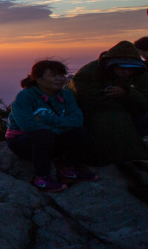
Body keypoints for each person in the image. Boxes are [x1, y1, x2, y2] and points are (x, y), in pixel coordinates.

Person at [6, 59, 98, 192]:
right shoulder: (25, 97)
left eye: (62, 75)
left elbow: (77, 120)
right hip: (24, 142)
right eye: (53, 76)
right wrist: (59, 127)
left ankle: (69, 171)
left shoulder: (66, 95)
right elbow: (28, 126)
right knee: (43, 135)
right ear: (38, 79)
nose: (59, 79)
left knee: (82, 133)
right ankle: (41, 178)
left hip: (52, 138)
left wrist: (45, 118)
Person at [69, 41, 148, 165]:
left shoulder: (139, 73)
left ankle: (130, 142)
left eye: (131, 68)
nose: (127, 72)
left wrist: (127, 93)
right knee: (112, 120)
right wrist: (125, 103)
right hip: (93, 117)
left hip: (126, 115)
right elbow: (90, 102)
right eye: (122, 67)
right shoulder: (88, 73)